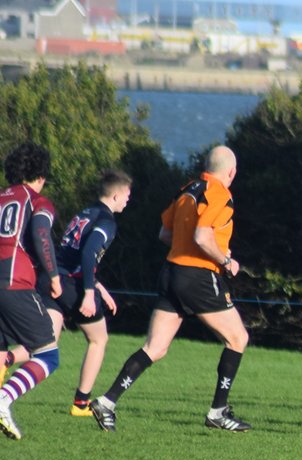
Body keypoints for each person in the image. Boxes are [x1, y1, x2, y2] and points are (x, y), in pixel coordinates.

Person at [89, 145, 252, 433]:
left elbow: (165, 233)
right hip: (199, 276)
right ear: (232, 172)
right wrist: (225, 260)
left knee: (155, 347)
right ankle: (218, 412)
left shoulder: (188, 189)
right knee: (238, 338)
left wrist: (195, 247)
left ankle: (107, 401)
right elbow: (202, 236)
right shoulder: (220, 193)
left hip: (171, 272)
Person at [0, 143, 65, 442]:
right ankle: (4, 399)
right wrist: (54, 276)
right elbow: (41, 234)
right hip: (14, 284)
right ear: (41, 176)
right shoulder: (38, 200)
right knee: (48, 355)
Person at [55, 170, 133, 417]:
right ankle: (81, 404)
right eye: (127, 195)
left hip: (53, 279)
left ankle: (5, 361)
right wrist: (89, 293)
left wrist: (99, 287)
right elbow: (88, 254)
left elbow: (71, 254)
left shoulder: (85, 213)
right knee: (99, 339)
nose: (128, 200)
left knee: (44, 347)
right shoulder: (107, 221)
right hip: (72, 284)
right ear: (116, 195)